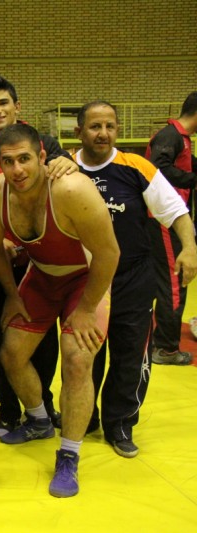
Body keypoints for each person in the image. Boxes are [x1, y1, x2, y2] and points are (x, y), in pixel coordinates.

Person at [0, 123, 120, 497]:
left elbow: (109, 253)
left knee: (77, 360)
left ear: (42, 156)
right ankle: (39, 420)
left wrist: (86, 308)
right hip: (42, 278)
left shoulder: (71, 189)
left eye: (25, 159)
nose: (17, 170)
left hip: (85, 279)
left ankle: (69, 454)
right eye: (8, 162)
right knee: (11, 354)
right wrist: (12, 294)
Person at [75, 101, 197, 457]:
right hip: (84, 284)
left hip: (133, 278)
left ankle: (120, 423)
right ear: (79, 131)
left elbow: (176, 211)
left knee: (129, 354)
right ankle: (84, 416)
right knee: (83, 355)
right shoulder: (65, 168)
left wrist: (190, 248)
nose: (104, 134)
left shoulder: (136, 167)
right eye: (95, 127)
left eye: (110, 126)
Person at [0, 74, 79, 437]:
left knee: (43, 342)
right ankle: (9, 411)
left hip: (41, 264)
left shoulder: (46, 144)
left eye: (3, 103)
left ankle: (42, 407)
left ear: (17, 106)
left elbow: (66, 182)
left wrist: (70, 164)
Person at [145, 91, 197, 365]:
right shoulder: (170, 136)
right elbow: (158, 168)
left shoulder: (181, 139)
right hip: (164, 220)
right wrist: (192, 179)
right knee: (175, 281)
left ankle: (160, 340)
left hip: (171, 219)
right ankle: (166, 348)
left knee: (167, 281)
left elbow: (185, 166)